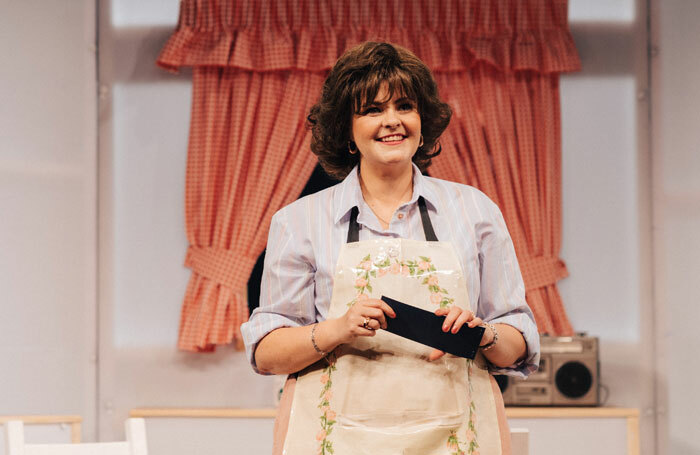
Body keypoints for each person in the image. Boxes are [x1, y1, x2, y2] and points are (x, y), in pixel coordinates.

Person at [241, 42, 539, 455]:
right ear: (346, 127)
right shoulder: (298, 221)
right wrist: (337, 328)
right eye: (372, 110)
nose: (392, 121)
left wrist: (482, 333)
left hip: (454, 437)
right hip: (335, 439)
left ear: (423, 121)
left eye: (404, 106)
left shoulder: (475, 211)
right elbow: (268, 353)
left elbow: (518, 340)